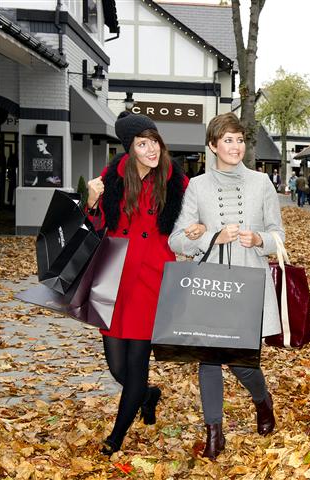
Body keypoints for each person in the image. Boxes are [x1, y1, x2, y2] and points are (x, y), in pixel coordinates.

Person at [168, 113, 283, 460]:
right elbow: (176, 240)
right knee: (209, 359)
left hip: (249, 284)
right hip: (209, 285)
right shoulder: (197, 186)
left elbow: (279, 239)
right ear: (212, 145)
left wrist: (259, 239)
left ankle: (262, 400)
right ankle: (214, 434)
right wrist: (211, 238)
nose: (235, 146)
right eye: (227, 140)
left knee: (242, 362)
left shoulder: (262, 183)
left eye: (239, 140)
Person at [85, 112, 189, 455]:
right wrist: (91, 202)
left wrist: (200, 229)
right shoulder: (111, 177)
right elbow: (96, 227)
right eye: (142, 143)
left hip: (152, 281)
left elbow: (194, 217)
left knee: (136, 366)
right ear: (129, 148)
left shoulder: (176, 181)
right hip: (114, 279)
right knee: (117, 367)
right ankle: (148, 395)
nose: (151, 149)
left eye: (154, 141)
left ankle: (115, 438)